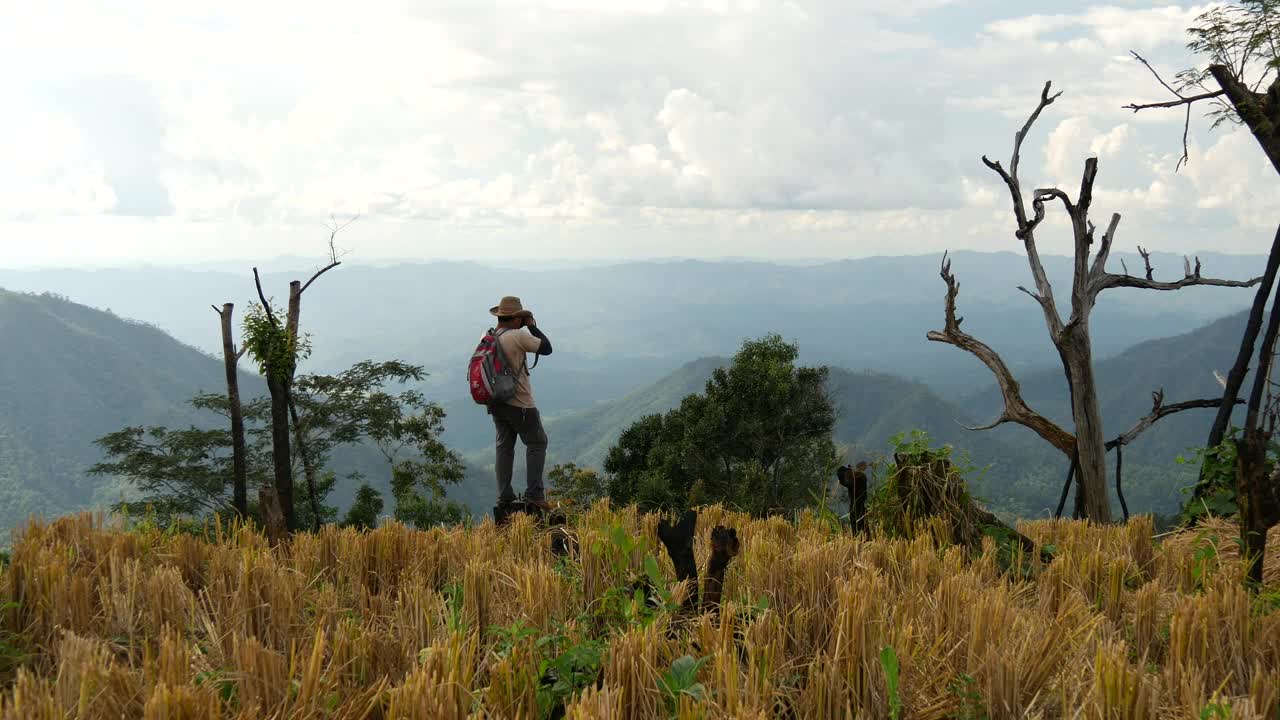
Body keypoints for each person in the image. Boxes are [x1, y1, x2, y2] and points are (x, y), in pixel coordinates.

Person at [488, 296, 554, 511]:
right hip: (520, 403)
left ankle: (504, 496)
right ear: (516, 318)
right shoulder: (518, 336)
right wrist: (532, 327)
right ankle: (534, 494)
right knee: (537, 442)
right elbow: (547, 348)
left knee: (504, 447)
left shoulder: (489, 335)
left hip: (497, 402)